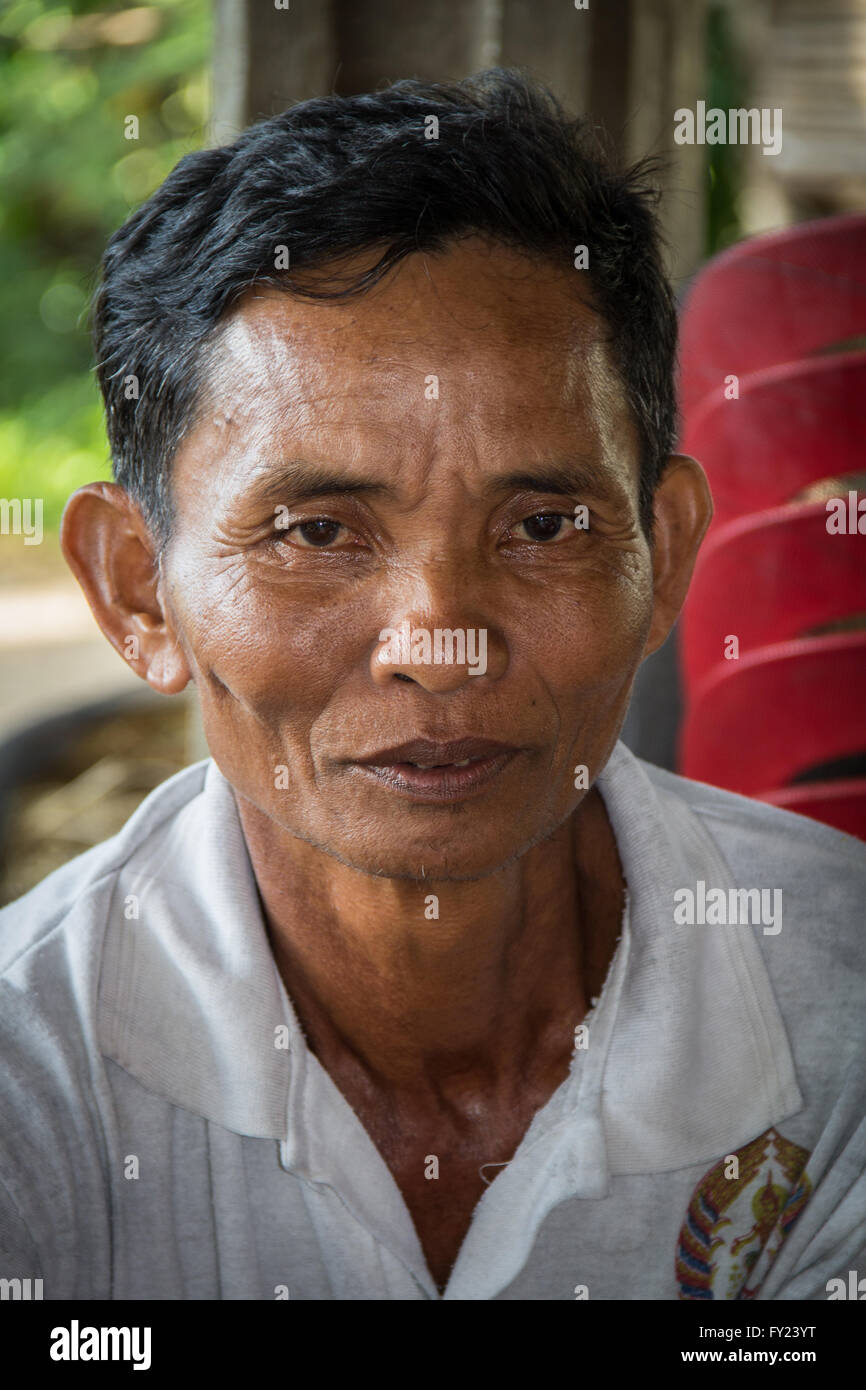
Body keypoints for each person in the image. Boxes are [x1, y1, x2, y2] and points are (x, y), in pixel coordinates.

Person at [1, 68, 864, 1302]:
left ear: (662, 554)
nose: (439, 642)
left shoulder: (840, 1000)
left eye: (544, 523)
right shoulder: (30, 1079)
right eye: (315, 532)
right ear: (140, 592)